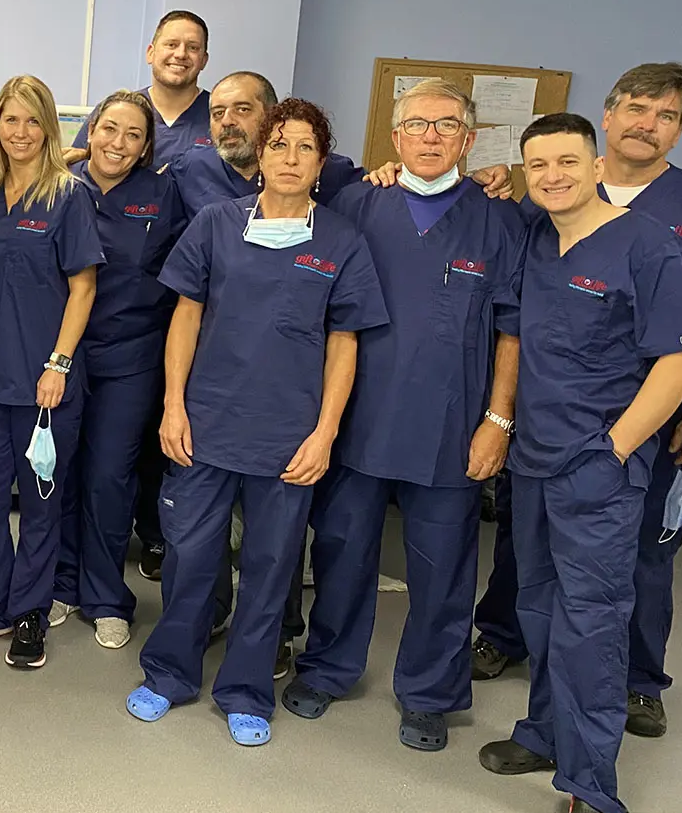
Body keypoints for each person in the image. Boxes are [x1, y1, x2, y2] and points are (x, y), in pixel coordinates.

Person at [470, 65, 682, 741]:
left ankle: (635, 685)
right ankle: (539, 701)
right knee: (535, 570)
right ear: (609, 118)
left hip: (633, 429)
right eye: (638, 109)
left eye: (666, 115)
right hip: (546, 436)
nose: (648, 124)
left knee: (631, 566)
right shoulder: (541, 211)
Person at [126, 99, 388, 747]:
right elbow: (184, 317)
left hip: (289, 437)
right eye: (280, 146)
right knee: (189, 556)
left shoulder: (341, 242)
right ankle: (169, 675)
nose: (291, 158)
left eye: (305, 148)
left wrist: (325, 432)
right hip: (206, 425)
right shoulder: (216, 224)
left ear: (321, 162)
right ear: (260, 156)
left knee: (271, 568)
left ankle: (245, 690)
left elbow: (344, 344)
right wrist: (174, 405)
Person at [282, 80, 525, 752]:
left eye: (446, 125)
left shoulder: (499, 221)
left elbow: (512, 330)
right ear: (394, 137)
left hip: (451, 428)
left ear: (468, 140)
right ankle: (329, 666)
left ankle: (430, 693)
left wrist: (498, 421)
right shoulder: (356, 203)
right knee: (340, 552)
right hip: (357, 420)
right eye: (415, 124)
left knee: (443, 566)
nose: (429, 137)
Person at [0, 75, 103, 669]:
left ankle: (30, 613)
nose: (20, 133)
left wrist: (59, 363)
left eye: (32, 121)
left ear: (49, 128)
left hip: (47, 381)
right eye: (9, 121)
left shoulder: (68, 195)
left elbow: (84, 286)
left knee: (42, 502)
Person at [48, 89, 188, 649]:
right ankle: (59, 582)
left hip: (130, 358)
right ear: (91, 131)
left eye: (134, 134)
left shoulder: (163, 194)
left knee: (109, 476)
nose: (118, 143)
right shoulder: (60, 188)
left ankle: (105, 594)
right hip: (62, 354)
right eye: (109, 129)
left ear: (147, 145)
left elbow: (182, 274)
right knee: (57, 471)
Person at [168, 72, 365, 216]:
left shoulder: (318, 167)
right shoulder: (190, 168)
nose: (227, 121)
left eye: (243, 109)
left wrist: (391, 171)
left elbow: (379, 193)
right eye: (218, 113)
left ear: (272, 115)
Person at [69, 10, 212, 167]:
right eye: (171, 44)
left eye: (192, 48)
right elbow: (78, 170)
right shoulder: (117, 110)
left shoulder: (221, 116)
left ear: (204, 60)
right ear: (150, 53)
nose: (180, 54)